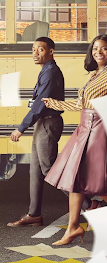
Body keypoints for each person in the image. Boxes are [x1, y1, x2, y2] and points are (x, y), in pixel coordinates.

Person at [42, 34, 107, 245]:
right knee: (75, 177)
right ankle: (73, 227)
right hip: (85, 125)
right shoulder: (95, 74)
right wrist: (55, 103)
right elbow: (82, 105)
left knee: (97, 181)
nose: (98, 52)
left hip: (101, 126)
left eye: (104, 48)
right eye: (95, 48)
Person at [7, 37, 92, 227]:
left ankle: (89, 205)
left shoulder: (51, 72)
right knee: (35, 170)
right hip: (42, 124)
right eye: (33, 49)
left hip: (47, 123)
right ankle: (34, 214)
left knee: (49, 169)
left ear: (51, 51)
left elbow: (40, 104)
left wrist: (21, 128)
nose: (35, 53)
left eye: (40, 50)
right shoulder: (46, 70)